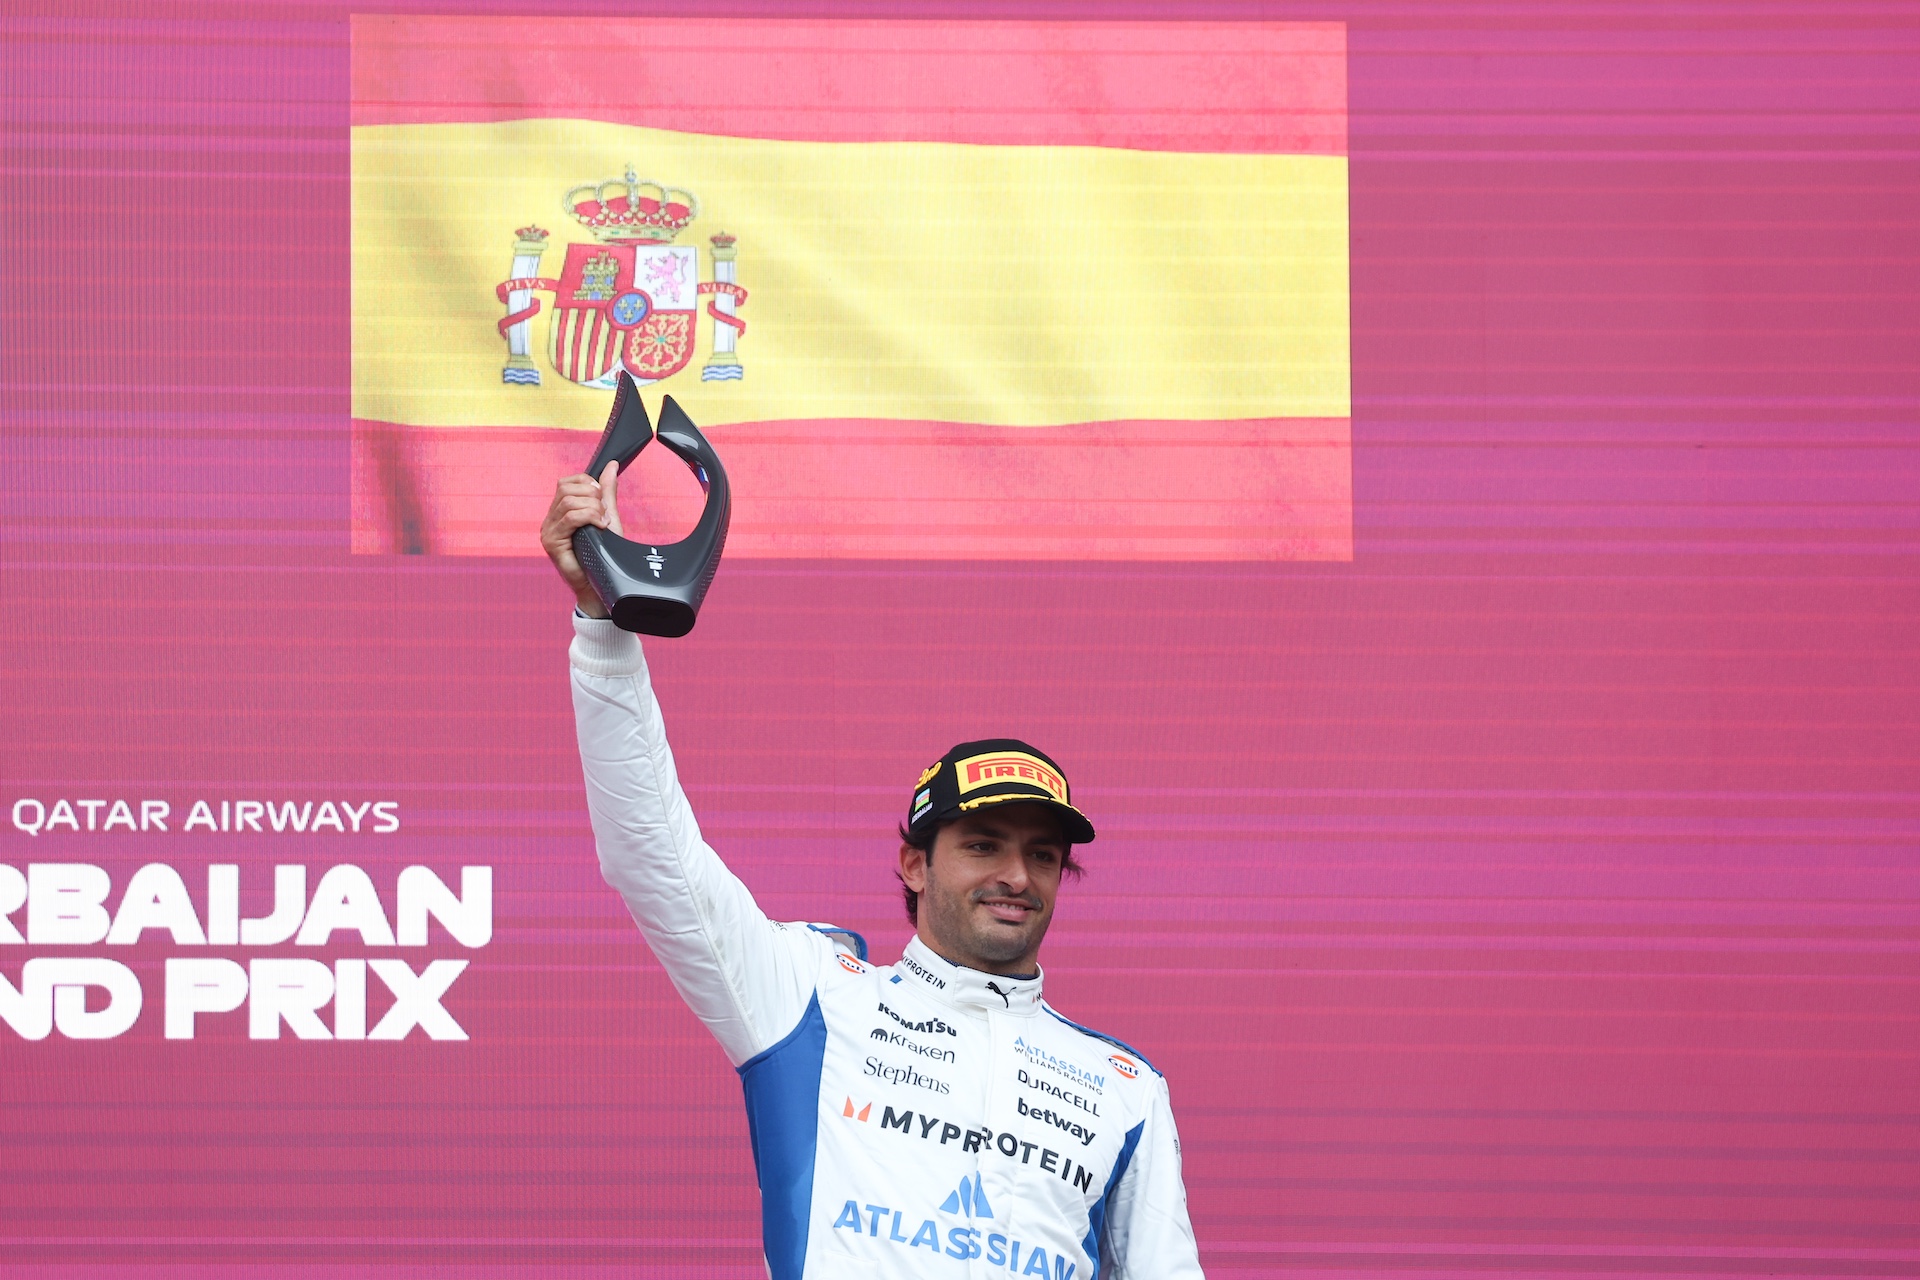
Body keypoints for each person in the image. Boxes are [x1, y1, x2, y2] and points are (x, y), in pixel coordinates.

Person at [542, 461, 1205, 1280]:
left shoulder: (1125, 1089)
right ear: (914, 865)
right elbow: (651, 853)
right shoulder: (812, 996)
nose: (1016, 876)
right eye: (983, 844)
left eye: (1042, 855)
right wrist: (603, 625)